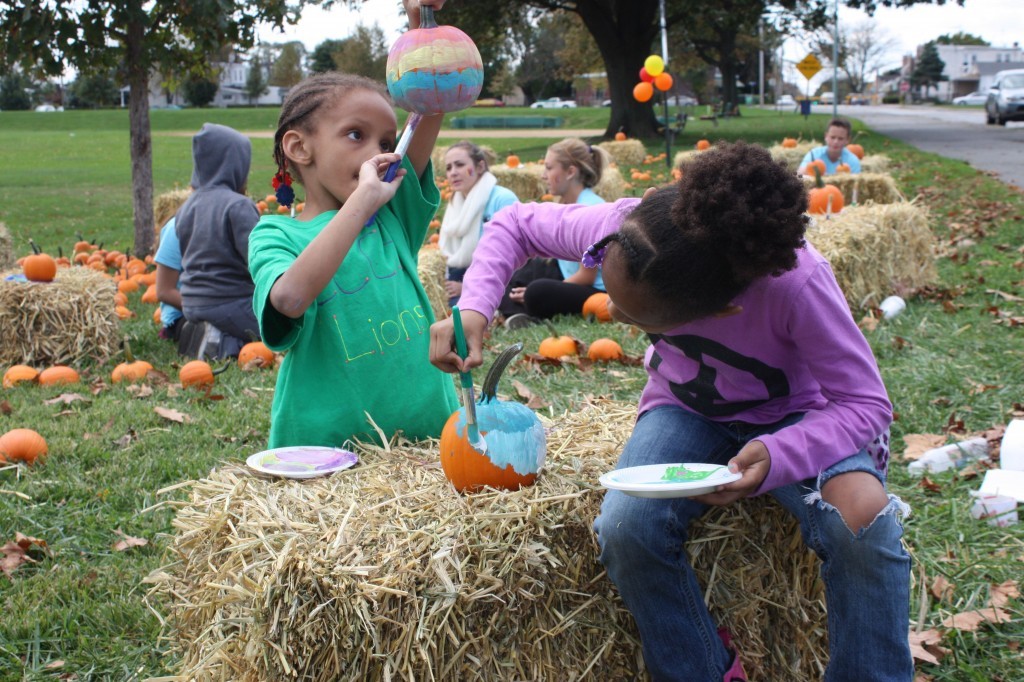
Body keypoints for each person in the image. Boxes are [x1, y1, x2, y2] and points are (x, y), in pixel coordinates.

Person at [429, 143, 912, 681]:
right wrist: (473, 306)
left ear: (720, 311)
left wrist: (778, 454)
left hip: (796, 416)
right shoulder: (632, 228)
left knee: (862, 517)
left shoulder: (796, 284)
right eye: (611, 292)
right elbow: (513, 223)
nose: (610, 312)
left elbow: (865, 403)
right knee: (626, 526)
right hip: (686, 408)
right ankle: (699, 668)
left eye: (640, 321)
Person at [247, 0, 457, 449]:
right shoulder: (275, 234)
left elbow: (428, 104)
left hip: (426, 442)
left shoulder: (392, 216)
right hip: (326, 453)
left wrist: (421, 27)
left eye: (385, 140)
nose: (377, 152)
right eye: (355, 135)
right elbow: (288, 298)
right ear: (299, 148)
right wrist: (361, 202)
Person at [499, 138, 611, 327]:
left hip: (594, 291)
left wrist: (535, 289)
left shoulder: (589, 210)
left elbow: (587, 277)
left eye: (549, 168)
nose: (543, 176)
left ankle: (520, 311)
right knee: (515, 269)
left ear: (570, 172)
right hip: (566, 273)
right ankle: (518, 314)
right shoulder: (564, 204)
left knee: (536, 291)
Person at [175, 123, 262, 359]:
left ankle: (205, 331)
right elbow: (257, 260)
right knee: (285, 324)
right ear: (234, 166)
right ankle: (222, 343)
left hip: (191, 301)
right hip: (231, 303)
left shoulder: (185, 208)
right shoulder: (238, 205)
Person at [438, 140, 518, 306]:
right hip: (464, 271)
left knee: (461, 309)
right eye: (448, 168)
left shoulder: (503, 199)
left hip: (501, 275)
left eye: (459, 165)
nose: (453, 173)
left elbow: (509, 256)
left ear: (480, 167)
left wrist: (468, 286)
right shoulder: (455, 204)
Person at [797, 117, 862, 175]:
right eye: (832, 137)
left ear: (847, 140)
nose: (836, 142)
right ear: (826, 136)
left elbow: (854, 184)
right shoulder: (814, 154)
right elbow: (800, 175)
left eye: (840, 138)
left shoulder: (852, 160)